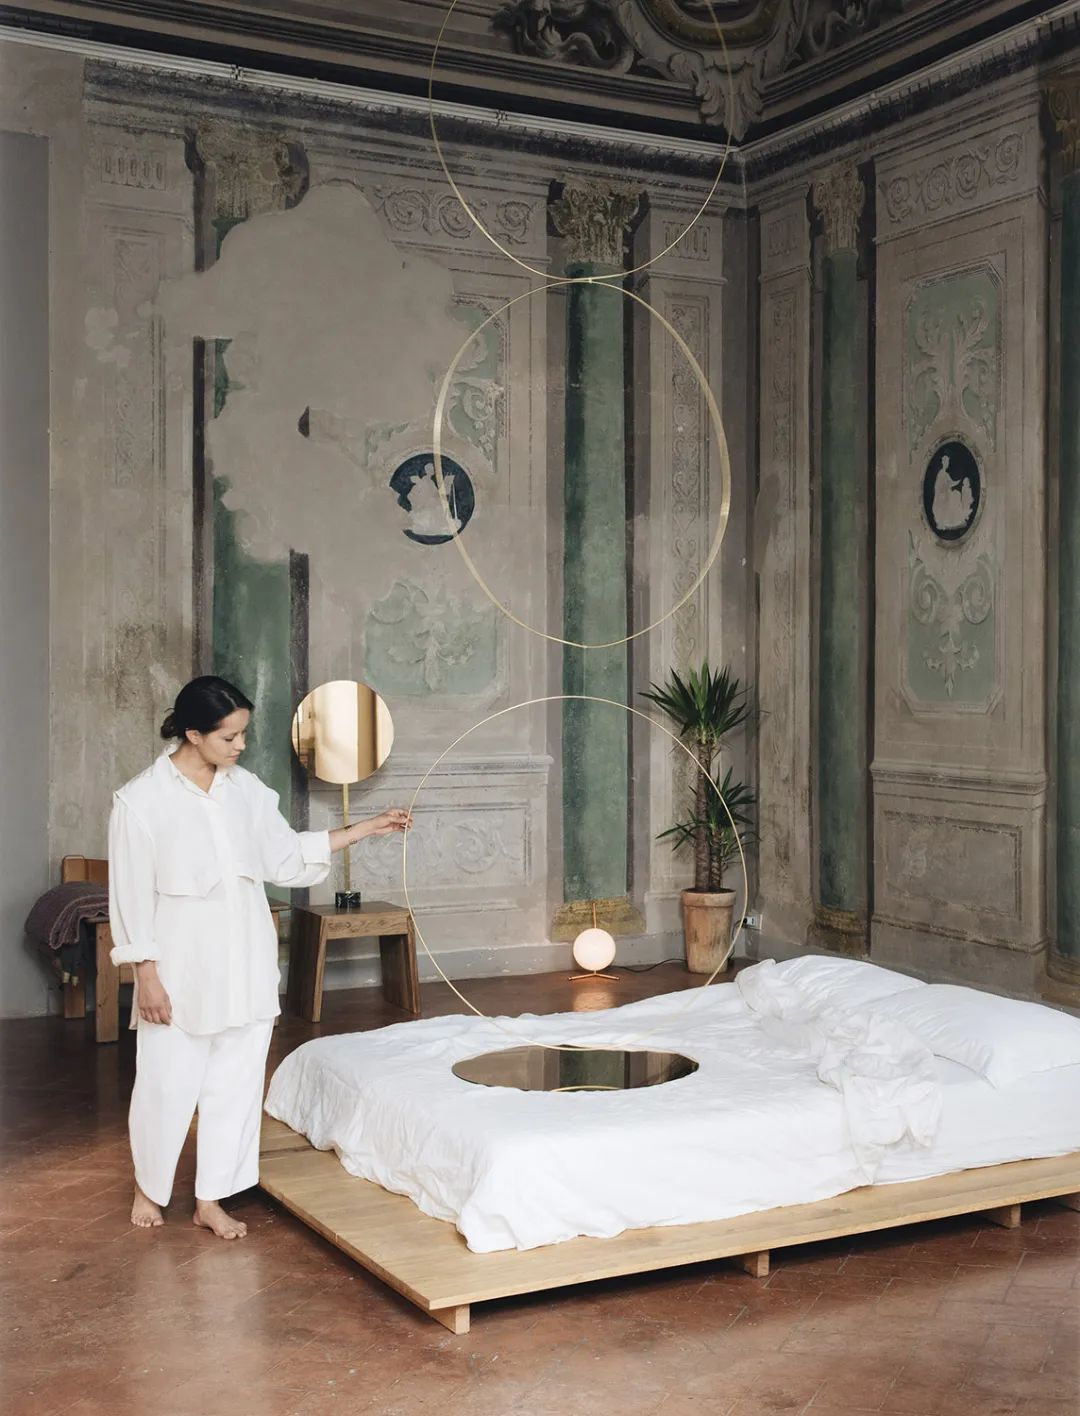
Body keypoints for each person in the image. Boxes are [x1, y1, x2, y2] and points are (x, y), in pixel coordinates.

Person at [108, 675, 410, 1239]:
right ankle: (150, 1186)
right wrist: (146, 975)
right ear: (193, 734)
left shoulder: (244, 790)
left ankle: (211, 1197)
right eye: (229, 737)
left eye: (243, 734)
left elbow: (287, 855)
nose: (241, 746)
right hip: (179, 968)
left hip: (245, 959)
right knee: (165, 1084)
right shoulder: (140, 801)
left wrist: (366, 829)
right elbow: (129, 894)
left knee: (237, 1084)